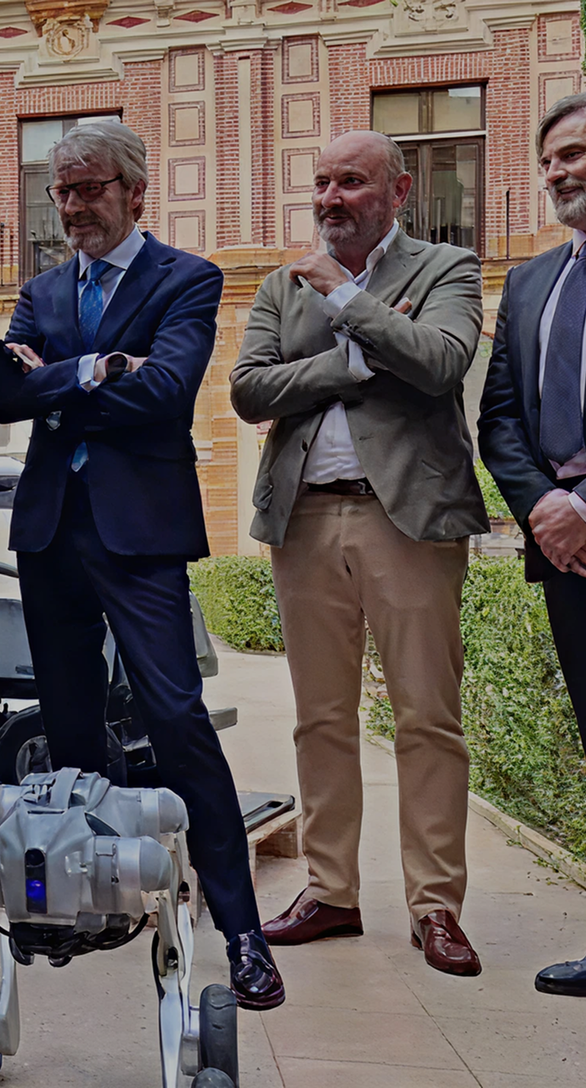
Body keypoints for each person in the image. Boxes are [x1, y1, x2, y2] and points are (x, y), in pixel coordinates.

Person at [0, 120, 282, 1011]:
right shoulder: (39, 290)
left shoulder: (188, 279)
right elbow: (3, 395)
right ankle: (85, 904)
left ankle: (243, 932)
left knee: (177, 719)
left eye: (89, 189)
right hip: (49, 532)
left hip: (140, 534)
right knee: (71, 733)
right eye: (61, 192)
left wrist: (59, 383)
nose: (72, 208)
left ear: (135, 192)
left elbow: (168, 390)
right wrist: (100, 369)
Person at [230, 131, 486, 977]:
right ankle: (331, 891)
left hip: (408, 520)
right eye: (321, 182)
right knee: (321, 719)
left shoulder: (445, 269)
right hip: (305, 521)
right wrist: (351, 365)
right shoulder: (282, 283)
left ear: (398, 191)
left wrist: (343, 297)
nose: (330, 198)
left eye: (351, 181)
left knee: (427, 718)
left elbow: (439, 363)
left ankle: (435, 906)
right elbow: (249, 390)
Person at [479, 91, 586, 998]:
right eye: (549, 159)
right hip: (564, 551)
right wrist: (547, 505)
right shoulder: (529, 282)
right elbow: (501, 419)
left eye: (576, 153)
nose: (559, 171)